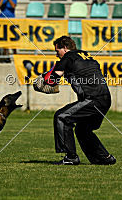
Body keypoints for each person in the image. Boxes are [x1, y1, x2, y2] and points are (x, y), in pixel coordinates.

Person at [42, 36, 116, 165]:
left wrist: (42, 79)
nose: (56, 55)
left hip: (92, 99)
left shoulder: (67, 57)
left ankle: (71, 157)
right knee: (82, 130)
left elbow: (51, 79)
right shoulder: (86, 55)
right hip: (105, 99)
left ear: (65, 48)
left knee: (61, 117)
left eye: (57, 51)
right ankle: (104, 158)